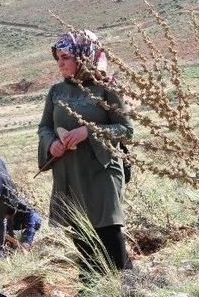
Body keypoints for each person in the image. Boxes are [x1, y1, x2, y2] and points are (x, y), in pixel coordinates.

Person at [37, 30, 133, 275]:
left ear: (83, 56)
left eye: (66, 57)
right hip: (69, 174)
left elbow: (125, 130)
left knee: (109, 232)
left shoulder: (106, 89)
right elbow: (44, 127)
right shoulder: (56, 91)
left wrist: (88, 132)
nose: (60, 63)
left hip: (102, 171)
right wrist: (51, 144)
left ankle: (126, 283)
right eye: (58, 57)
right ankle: (91, 284)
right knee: (81, 233)